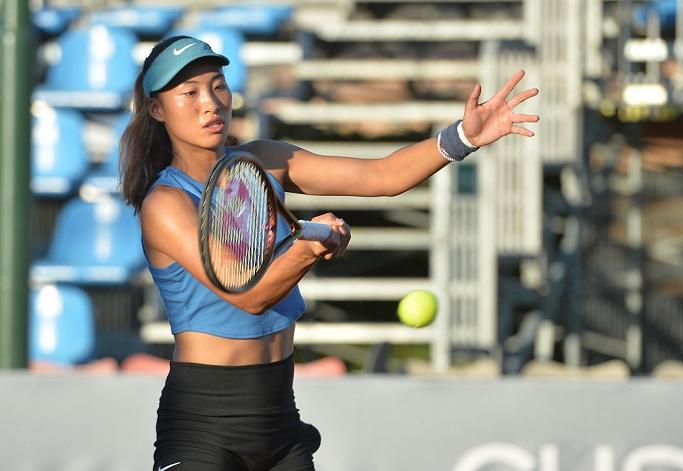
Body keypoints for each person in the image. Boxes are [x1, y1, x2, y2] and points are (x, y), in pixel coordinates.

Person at [119, 35, 539, 471]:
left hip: (279, 421)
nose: (210, 102)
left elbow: (381, 176)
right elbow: (249, 296)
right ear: (156, 109)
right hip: (203, 425)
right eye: (189, 92)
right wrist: (308, 250)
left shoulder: (263, 159)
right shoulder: (165, 203)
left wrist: (462, 138)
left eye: (218, 85)